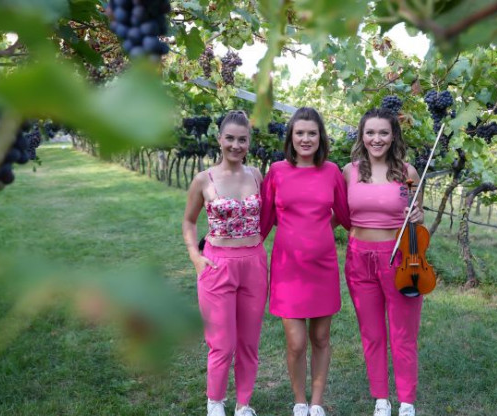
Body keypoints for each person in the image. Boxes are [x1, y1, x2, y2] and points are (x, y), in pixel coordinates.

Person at [260, 107, 351, 416]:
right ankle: (299, 401)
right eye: (300, 133)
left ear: (320, 137)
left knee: (321, 338)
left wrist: (321, 228)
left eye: (312, 133)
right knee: (296, 342)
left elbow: (346, 216)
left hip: (323, 267)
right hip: (288, 269)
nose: (306, 138)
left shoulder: (332, 172)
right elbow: (264, 221)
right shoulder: (276, 171)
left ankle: (316, 403)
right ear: (291, 137)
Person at [182, 110, 267, 416]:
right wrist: (195, 256)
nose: (235, 145)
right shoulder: (203, 179)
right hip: (217, 266)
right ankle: (215, 403)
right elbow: (189, 221)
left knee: (248, 342)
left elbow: (269, 215)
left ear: (249, 142)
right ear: (219, 139)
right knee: (222, 343)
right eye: (229, 138)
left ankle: (244, 404)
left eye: (242, 139)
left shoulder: (256, 175)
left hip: (254, 264)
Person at [342, 108, 424, 416]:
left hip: (399, 258)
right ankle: (381, 399)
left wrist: (417, 216)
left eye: (383, 133)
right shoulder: (348, 172)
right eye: (370, 132)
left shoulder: (408, 172)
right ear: (362, 135)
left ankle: (406, 402)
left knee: (403, 333)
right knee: (372, 333)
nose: (376, 139)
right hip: (358, 258)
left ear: (393, 136)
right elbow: (337, 213)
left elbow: (417, 217)